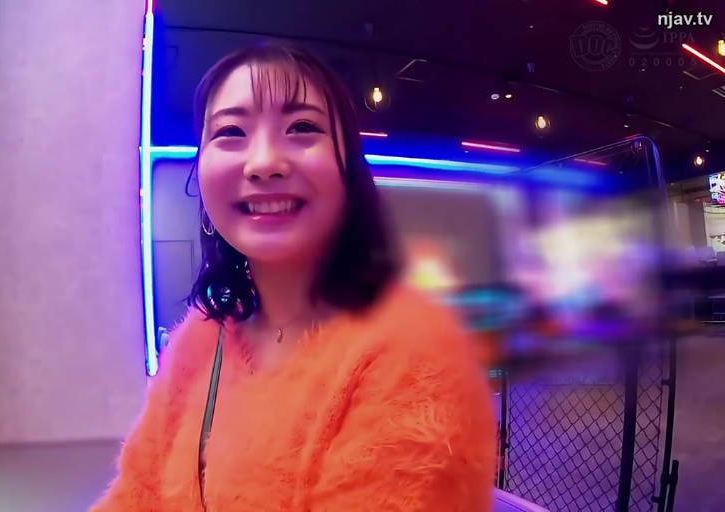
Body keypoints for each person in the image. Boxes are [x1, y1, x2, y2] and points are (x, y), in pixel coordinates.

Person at [91, 43, 496, 511]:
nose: (264, 163)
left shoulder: (416, 351)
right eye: (231, 131)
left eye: (302, 127)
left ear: (349, 172)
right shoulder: (202, 338)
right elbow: (137, 493)